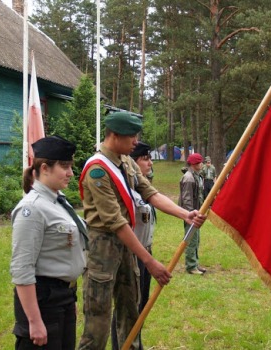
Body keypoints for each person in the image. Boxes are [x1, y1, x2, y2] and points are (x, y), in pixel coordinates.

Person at [78, 112, 206, 350]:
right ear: (114, 136)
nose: (136, 142)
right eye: (132, 136)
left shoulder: (125, 161)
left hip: (127, 244)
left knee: (131, 312)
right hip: (103, 248)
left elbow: (150, 193)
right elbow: (115, 222)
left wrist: (184, 214)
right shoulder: (98, 170)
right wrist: (149, 261)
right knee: (98, 322)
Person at [10, 136, 88, 349]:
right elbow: (22, 269)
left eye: (71, 166)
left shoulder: (58, 201)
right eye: (64, 166)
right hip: (44, 301)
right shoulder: (32, 209)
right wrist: (34, 322)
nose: (71, 173)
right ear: (44, 168)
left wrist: (69, 297)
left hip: (63, 297)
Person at [111, 141, 155, 350]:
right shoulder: (125, 190)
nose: (149, 162)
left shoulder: (142, 188)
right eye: (145, 158)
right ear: (133, 163)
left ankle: (135, 344)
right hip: (132, 254)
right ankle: (123, 345)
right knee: (127, 308)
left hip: (145, 251)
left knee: (141, 305)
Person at [179, 153, 206, 275]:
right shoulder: (189, 178)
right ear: (194, 164)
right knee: (191, 239)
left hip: (196, 212)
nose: (202, 164)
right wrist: (190, 214)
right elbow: (187, 198)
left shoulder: (197, 176)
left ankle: (195, 263)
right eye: (200, 162)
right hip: (191, 214)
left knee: (196, 239)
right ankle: (191, 266)